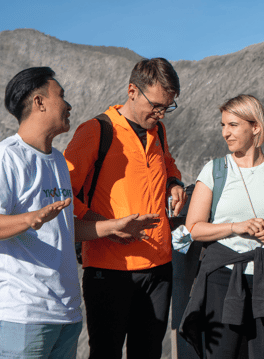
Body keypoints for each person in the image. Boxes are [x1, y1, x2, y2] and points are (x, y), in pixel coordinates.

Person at [0, 67, 157, 359]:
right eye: (61, 96)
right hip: (20, 316)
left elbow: (64, 226)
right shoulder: (5, 157)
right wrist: (29, 219)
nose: (68, 105)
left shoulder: (57, 160)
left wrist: (113, 227)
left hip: (64, 314)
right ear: (39, 102)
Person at [64, 58, 186, 359]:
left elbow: (167, 163)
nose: (160, 114)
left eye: (167, 107)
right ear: (133, 91)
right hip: (109, 270)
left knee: (148, 354)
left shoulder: (159, 131)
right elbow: (64, 196)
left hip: (159, 267)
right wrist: (106, 225)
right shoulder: (96, 131)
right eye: (156, 105)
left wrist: (173, 181)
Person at [180, 94, 264, 359]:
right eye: (223, 125)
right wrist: (235, 227)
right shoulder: (214, 170)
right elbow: (193, 229)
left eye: (233, 125)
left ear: (255, 127)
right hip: (221, 279)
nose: (225, 133)